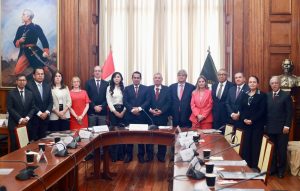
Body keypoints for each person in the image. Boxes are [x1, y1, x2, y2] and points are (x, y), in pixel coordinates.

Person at [265, 76, 292, 178]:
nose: (274, 85)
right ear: (270, 85)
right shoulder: (267, 96)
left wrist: (287, 126)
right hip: (270, 128)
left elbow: (289, 113)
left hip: (282, 129)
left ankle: (281, 170)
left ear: (279, 84)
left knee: (281, 150)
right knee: (272, 149)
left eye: (276, 83)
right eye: (272, 83)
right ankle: (273, 169)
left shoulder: (286, 96)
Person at [239, 76, 266, 168]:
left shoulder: (262, 95)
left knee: (255, 145)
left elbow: (262, 111)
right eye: (250, 82)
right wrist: (244, 119)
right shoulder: (244, 94)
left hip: (256, 125)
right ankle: (247, 165)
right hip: (245, 124)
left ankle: (254, 166)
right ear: (248, 83)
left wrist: (252, 120)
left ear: (257, 84)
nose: (252, 84)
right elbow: (241, 109)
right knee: (246, 145)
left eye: (254, 82)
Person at [123, 71, 150, 163]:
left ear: (140, 79)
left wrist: (139, 109)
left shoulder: (146, 89)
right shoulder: (127, 89)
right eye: (134, 77)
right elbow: (125, 101)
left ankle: (141, 155)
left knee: (141, 137)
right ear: (132, 78)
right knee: (129, 136)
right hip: (130, 116)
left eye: (138, 77)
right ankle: (128, 155)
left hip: (141, 116)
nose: (136, 79)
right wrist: (132, 110)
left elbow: (147, 101)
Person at [13, 9, 49, 75]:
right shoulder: (20, 28)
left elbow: (43, 39)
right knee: (17, 71)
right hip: (23, 52)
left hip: (34, 52)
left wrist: (46, 51)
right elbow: (15, 42)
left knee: (43, 69)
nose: (22, 16)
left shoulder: (36, 27)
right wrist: (19, 41)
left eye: (23, 15)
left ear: (28, 17)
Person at [7, 74, 36, 151]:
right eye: (20, 80)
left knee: (26, 147)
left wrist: (27, 118)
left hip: (27, 124)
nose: (22, 82)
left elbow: (33, 108)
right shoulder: (11, 93)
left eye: (24, 80)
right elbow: (10, 108)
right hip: (15, 124)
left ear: (26, 82)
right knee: (15, 147)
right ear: (16, 81)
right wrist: (20, 119)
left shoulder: (30, 93)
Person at [147, 73, 170, 162]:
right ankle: (150, 156)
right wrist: (150, 110)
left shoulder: (167, 89)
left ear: (162, 79)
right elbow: (145, 101)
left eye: (159, 78)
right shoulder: (148, 89)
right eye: (155, 78)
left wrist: (161, 111)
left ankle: (161, 156)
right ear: (153, 79)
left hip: (162, 117)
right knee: (150, 137)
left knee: (162, 137)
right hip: (150, 117)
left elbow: (169, 102)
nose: (157, 79)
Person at [26, 67, 53, 141]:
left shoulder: (47, 86)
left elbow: (51, 101)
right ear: (34, 75)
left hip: (45, 119)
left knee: (43, 141)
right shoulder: (28, 86)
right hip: (34, 119)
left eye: (42, 74)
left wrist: (46, 112)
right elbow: (30, 103)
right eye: (38, 74)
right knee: (34, 142)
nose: (40, 76)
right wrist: (40, 113)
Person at [106, 72, 126, 162]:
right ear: (112, 79)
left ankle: (121, 155)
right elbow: (109, 101)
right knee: (114, 134)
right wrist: (115, 112)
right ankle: (114, 156)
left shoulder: (124, 88)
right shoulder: (109, 88)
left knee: (122, 134)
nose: (116, 79)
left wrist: (123, 112)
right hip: (113, 112)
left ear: (121, 78)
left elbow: (126, 101)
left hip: (123, 111)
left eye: (118, 77)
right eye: (115, 77)